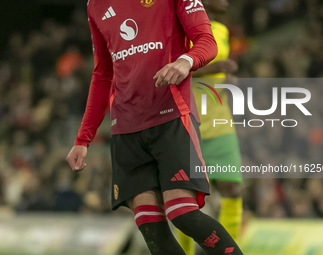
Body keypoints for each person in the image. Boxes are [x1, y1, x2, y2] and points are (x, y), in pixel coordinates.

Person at [66, 0, 243, 254]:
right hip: (126, 127)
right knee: (150, 225)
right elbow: (103, 73)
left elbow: (207, 40)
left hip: (171, 118)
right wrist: (83, 138)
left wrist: (185, 61)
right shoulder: (95, 5)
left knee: (182, 213)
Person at [178, 0, 243, 254]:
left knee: (233, 189)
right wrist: (216, 68)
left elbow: (215, 72)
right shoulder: (183, 26)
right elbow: (172, 69)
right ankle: (184, 251)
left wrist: (226, 79)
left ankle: (233, 250)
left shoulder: (222, 30)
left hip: (220, 120)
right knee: (187, 197)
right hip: (188, 122)